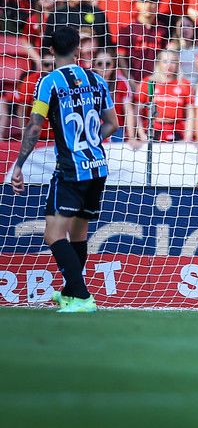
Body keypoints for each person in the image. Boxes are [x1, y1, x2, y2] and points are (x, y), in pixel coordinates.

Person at [10, 26, 119, 313]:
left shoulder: (49, 82)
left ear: (49, 51)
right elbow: (113, 123)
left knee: (54, 235)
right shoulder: (96, 79)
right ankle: (71, 292)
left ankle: (83, 297)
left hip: (71, 168)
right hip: (97, 164)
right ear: (77, 49)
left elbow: (35, 125)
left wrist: (19, 164)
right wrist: (90, 142)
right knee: (79, 234)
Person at [137, 49, 194, 143]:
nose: (169, 65)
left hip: (177, 132)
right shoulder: (149, 82)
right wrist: (142, 134)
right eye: (165, 61)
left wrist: (188, 136)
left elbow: (190, 114)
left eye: (173, 62)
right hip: (152, 130)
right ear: (158, 63)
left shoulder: (184, 84)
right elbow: (137, 111)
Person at [116, 0, 169, 86]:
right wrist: (130, 81)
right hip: (134, 81)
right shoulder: (127, 29)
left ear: (157, 5)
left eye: (152, 2)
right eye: (144, 2)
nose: (148, 6)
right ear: (137, 4)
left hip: (156, 81)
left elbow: (166, 55)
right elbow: (120, 57)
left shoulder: (163, 29)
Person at [43, 0, 111, 50]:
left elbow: (106, 44)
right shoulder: (56, 14)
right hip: (64, 59)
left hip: (91, 58)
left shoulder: (97, 14)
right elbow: (47, 44)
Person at [92, 48, 137, 143]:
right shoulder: (88, 83)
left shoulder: (121, 82)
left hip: (116, 131)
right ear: (94, 65)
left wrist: (132, 137)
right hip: (94, 130)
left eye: (108, 64)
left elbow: (128, 111)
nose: (104, 67)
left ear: (113, 65)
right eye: (100, 64)